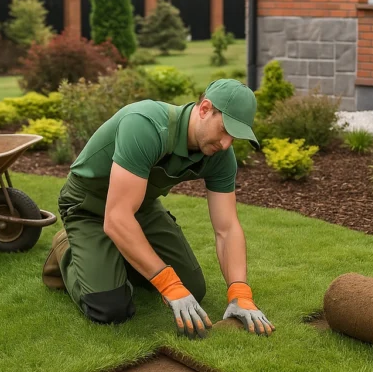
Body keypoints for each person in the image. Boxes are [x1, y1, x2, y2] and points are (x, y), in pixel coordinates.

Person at [42, 78, 275, 339]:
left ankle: (115, 251)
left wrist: (239, 292)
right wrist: (168, 284)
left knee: (192, 288)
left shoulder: (219, 156)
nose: (226, 144)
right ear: (205, 109)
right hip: (88, 206)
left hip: (140, 207)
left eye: (235, 137)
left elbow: (227, 227)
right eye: (225, 130)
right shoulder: (145, 125)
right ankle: (66, 246)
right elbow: (117, 217)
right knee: (110, 308)